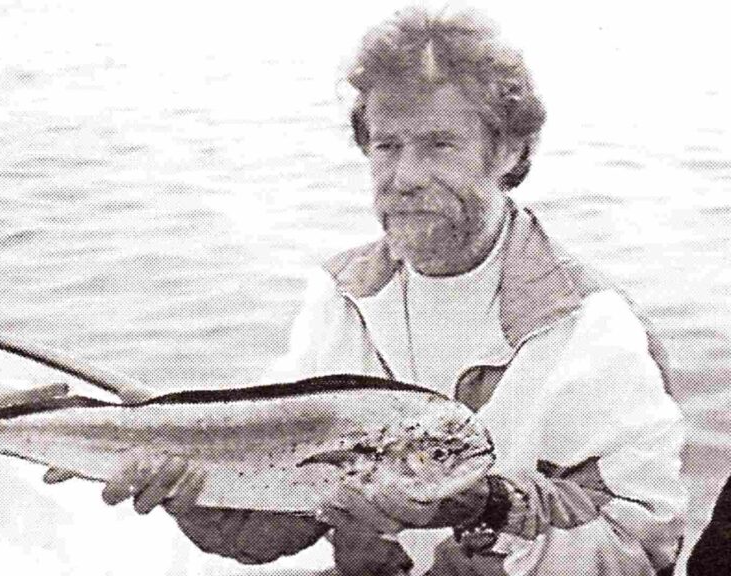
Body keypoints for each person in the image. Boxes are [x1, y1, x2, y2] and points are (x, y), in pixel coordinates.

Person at [93, 8, 687, 575]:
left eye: (438, 145)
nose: (404, 178)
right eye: (387, 146)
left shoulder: (588, 324)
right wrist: (197, 494)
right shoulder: (339, 299)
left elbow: (641, 548)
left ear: (508, 151)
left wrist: (486, 509)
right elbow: (280, 521)